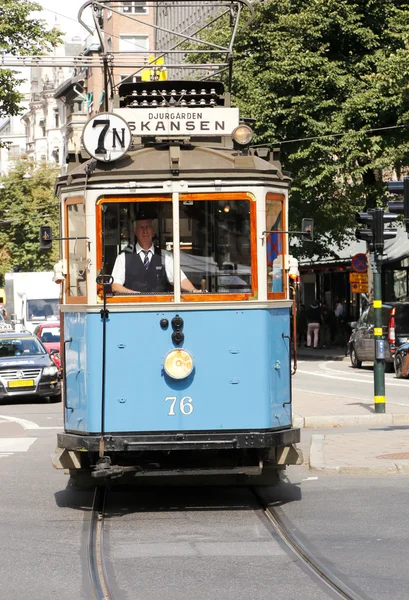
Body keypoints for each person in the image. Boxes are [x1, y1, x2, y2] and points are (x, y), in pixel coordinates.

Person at [111, 214, 199, 294]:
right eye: (141, 227)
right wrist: (136, 295)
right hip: (134, 309)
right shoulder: (123, 257)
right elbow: (115, 285)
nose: (145, 231)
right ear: (135, 231)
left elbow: (180, 280)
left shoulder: (165, 257)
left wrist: (194, 290)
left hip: (160, 309)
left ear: (153, 230)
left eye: (147, 227)